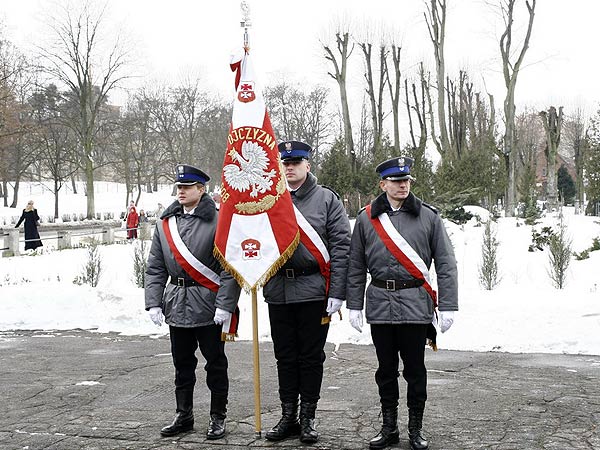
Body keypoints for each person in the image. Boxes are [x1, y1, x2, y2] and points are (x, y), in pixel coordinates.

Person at [346, 156, 458, 450]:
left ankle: (416, 428)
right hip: (381, 304)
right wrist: (354, 304)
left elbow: (446, 264)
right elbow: (356, 265)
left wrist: (448, 305)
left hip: (415, 305)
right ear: (383, 184)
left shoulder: (428, 217)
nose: (403, 186)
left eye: (406, 181)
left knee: (415, 370)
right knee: (385, 371)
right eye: (396, 181)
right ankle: (389, 427)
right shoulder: (366, 218)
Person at [263, 141, 351, 444]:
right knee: (284, 356)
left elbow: (342, 248)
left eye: (296, 162)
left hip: (314, 291)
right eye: (285, 163)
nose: (290, 167)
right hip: (278, 289)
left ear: (308, 165)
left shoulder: (327, 200)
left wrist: (337, 293)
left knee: (311, 358)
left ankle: (307, 418)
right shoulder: (268, 200)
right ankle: (288, 416)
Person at [145, 164, 241, 440]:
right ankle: (183, 414)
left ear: (202, 189)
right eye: (179, 187)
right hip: (176, 302)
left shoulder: (219, 220)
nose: (182, 191)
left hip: (209, 304)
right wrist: (153, 301)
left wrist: (225, 304)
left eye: (187, 187)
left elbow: (229, 268)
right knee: (182, 364)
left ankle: (217, 416)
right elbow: (155, 267)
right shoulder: (166, 225)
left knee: (215, 364)